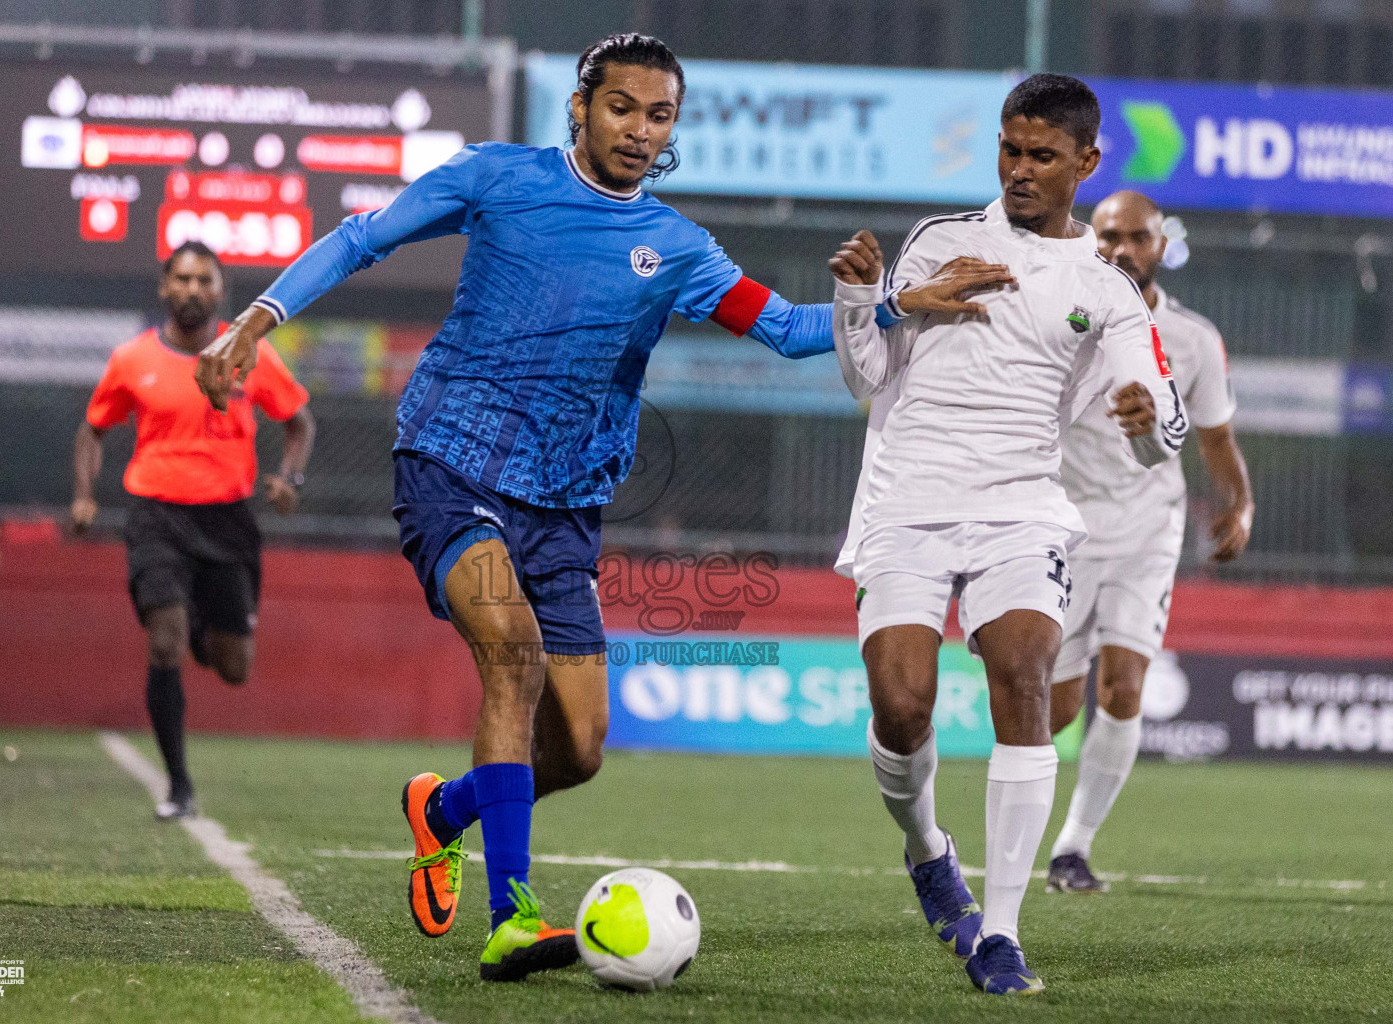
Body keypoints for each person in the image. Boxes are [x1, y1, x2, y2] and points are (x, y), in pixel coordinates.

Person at [194, 33, 993, 982]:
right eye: (622, 108)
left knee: (577, 749)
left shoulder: (680, 248)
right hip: (452, 463)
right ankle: (513, 915)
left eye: (659, 117)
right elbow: (363, 235)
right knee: (513, 658)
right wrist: (259, 316)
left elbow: (783, 328)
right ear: (581, 107)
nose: (639, 130)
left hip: (564, 509)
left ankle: (443, 811)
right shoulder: (495, 178)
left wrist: (898, 302)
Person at [829, 74, 1188, 995]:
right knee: (902, 706)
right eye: (1008, 150)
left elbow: (1162, 438)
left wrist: (1147, 419)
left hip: (1021, 507)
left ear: (1086, 163)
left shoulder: (1107, 290)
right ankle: (926, 848)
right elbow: (867, 375)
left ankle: (1002, 933)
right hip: (906, 501)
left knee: (1024, 674)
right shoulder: (942, 240)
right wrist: (866, 297)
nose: (1020, 171)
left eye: (1041, 156)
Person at [1044, 191, 1251, 894]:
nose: (1122, 250)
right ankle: (1014, 830)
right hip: (1064, 528)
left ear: (1161, 246)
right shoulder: (1058, 319)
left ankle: (1073, 848)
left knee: (1124, 687)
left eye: (1137, 238)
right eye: (1108, 238)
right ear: (1088, 241)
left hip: (1146, 529)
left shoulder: (1194, 338)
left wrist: (1240, 503)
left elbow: (1217, 435)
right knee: (1056, 709)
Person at [72, 241, 314, 820]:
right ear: (163, 287)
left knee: (234, 667)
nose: (191, 289)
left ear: (220, 290)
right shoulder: (131, 360)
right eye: (180, 278)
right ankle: (178, 786)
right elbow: (92, 431)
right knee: (164, 642)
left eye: (203, 280)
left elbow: (299, 421)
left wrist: (290, 477)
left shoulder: (249, 352)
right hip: (156, 515)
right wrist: (83, 496)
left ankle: (202, 626)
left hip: (228, 522)